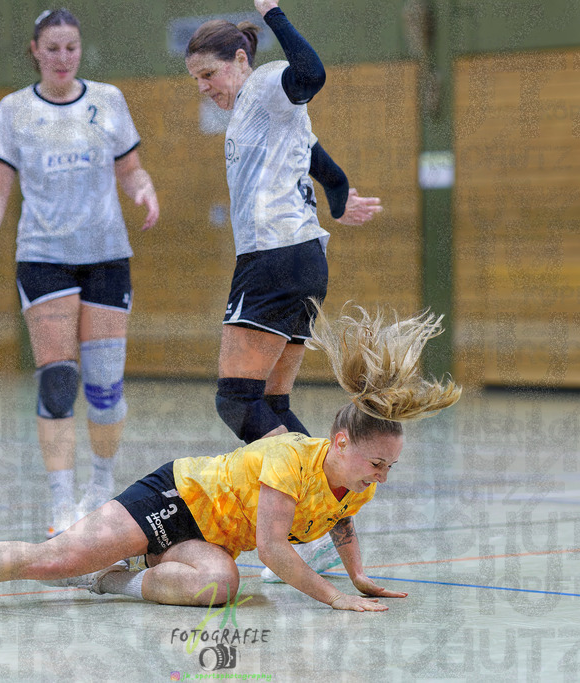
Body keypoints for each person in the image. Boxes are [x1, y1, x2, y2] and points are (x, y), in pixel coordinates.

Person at [0, 302, 461, 615]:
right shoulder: (287, 458)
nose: (382, 477)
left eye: (390, 468)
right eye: (378, 463)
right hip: (174, 500)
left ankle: (113, 582)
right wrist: (337, 599)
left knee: (220, 586)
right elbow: (275, 550)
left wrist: (358, 575)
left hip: (213, 541)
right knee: (53, 559)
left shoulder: (358, 484)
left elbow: (343, 519)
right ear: (341, 443)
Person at [184, 0, 383, 580]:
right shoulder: (258, 110)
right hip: (301, 260)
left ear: (240, 60)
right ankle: (325, 522)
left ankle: (311, 524)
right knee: (271, 406)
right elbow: (314, 154)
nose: (204, 88)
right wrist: (340, 193)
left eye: (209, 75)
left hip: (273, 259)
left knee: (236, 401)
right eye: (196, 80)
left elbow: (312, 73)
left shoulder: (268, 84)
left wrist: (273, 13)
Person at [0, 9, 160, 537]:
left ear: (80, 50)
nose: (62, 58)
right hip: (43, 254)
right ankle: (60, 504)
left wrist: (143, 188)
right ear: (34, 49)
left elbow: (130, 167)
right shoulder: (14, 110)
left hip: (105, 255)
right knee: (57, 382)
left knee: (104, 389)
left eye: (71, 48)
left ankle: (101, 487)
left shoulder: (109, 100)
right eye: (52, 48)